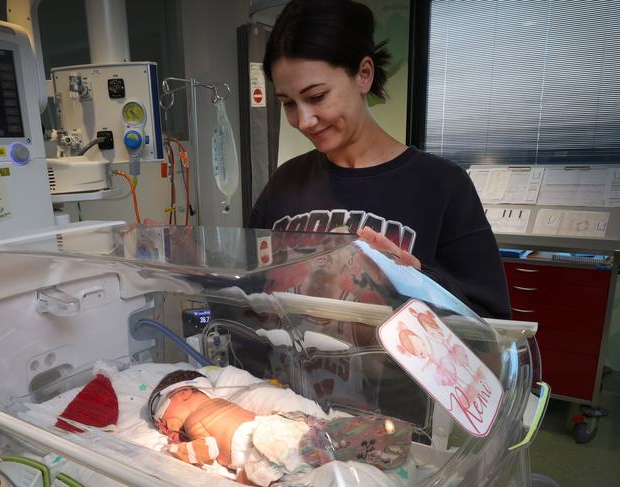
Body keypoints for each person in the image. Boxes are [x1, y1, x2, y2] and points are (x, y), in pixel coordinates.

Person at [249, 0, 510, 319]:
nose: (304, 121)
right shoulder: (284, 184)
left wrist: (418, 282)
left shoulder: (442, 187)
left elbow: (492, 322)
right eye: (288, 103)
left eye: (316, 97)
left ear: (363, 74)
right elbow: (247, 292)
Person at [147, 370, 412, 486]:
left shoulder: (195, 419)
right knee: (320, 437)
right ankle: (367, 435)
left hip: (259, 446)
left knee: (289, 477)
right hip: (278, 425)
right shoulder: (219, 403)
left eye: (161, 417)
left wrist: (176, 449)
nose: (163, 428)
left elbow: (208, 448)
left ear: (183, 393)